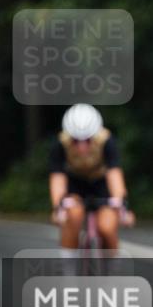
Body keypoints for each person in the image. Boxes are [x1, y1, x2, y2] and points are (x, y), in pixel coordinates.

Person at [49, 103, 134, 249]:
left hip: (101, 183)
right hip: (75, 184)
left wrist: (122, 207)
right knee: (73, 216)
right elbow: (57, 177)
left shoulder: (107, 141)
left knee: (107, 227)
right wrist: (58, 208)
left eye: (87, 140)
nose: (82, 146)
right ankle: (69, 260)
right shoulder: (60, 144)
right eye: (76, 140)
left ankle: (112, 260)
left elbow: (114, 174)